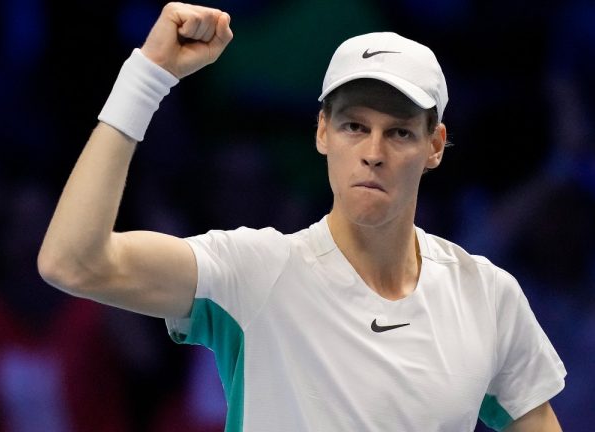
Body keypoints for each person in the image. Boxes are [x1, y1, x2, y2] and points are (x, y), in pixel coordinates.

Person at [37, 2, 566, 431]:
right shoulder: (253, 270)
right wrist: (146, 77)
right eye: (354, 126)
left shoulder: (486, 295)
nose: (374, 151)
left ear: (435, 146)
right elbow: (73, 262)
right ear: (321, 133)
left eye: (400, 131)